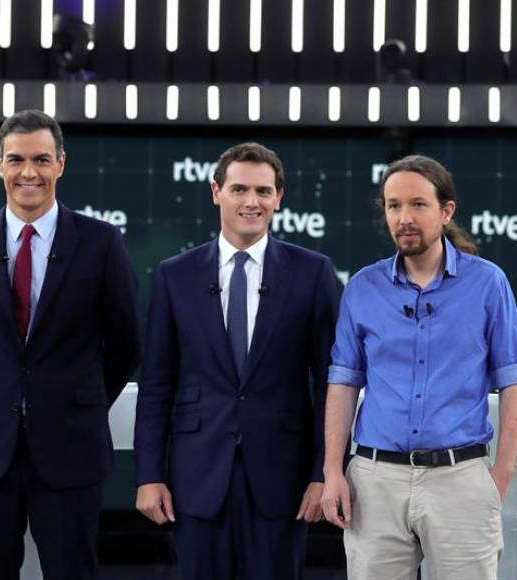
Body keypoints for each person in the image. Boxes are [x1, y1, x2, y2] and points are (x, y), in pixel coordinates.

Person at [0, 109, 140, 580]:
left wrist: (77, 401)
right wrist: (2, 395)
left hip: (71, 447)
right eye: (16, 160)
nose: (29, 172)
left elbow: (126, 344)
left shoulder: (102, 242)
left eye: (42, 160)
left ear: (61, 164)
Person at [134, 142, 340, 580]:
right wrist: (148, 475)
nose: (252, 202)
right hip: (197, 477)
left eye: (264, 191)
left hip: (282, 480)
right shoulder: (176, 275)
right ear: (216, 192)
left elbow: (331, 384)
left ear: (279, 197)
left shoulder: (313, 272)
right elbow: (156, 383)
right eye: (240, 189)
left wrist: (324, 471)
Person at [321, 154, 517, 580]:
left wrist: (501, 473)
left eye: (417, 204)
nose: (404, 217)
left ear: (446, 210)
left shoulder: (487, 283)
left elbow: (513, 379)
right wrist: (331, 470)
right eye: (393, 206)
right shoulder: (363, 287)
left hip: (461, 479)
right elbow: (343, 382)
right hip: (375, 482)